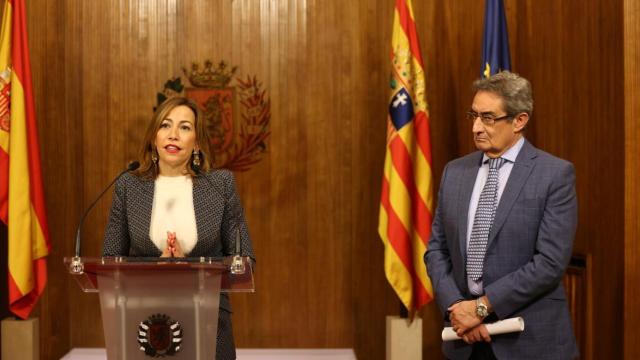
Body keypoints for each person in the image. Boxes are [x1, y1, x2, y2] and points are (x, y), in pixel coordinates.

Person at [425, 71, 578, 360]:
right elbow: (436, 250)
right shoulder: (455, 172)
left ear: (519, 120)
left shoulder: (554, 174)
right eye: (473, 116)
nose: (476, 128)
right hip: (464, 341)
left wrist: (481, 308)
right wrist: (458, 308)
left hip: (529, 342)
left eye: (488, 118)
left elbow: (549, 263)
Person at [102, 96, 255, 360]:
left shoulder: (220, 185)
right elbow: (109, 262)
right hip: (145, 322)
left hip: (208, 323)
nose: (173, 135)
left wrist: (191, 267)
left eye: (184, 127)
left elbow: (245, 262)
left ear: (196, 142)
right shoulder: (128, 186)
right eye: (165, 125)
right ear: (154, 137)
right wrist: (155, 268)